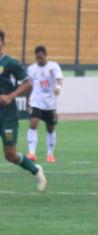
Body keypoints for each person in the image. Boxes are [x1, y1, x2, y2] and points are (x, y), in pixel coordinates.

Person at [0, 30, 46, 191]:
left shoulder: (10, 62)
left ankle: (35, 170)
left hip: (7, 115)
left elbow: (27, 83)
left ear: (2, 43)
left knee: (10, 155)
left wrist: (10, 96)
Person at [26, 45, 63, 163]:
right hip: (36, 101)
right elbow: (30, 85)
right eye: (37, 58)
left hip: (50, 103)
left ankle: (50, 154)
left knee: (50, 128)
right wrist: (29, 100)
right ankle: (31, 153)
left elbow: (60, 79)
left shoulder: (53, 66)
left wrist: (58, 87)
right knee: (33, 123)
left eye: (41, 58)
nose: (39, 60)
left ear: (46, 55)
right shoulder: (31, 69)